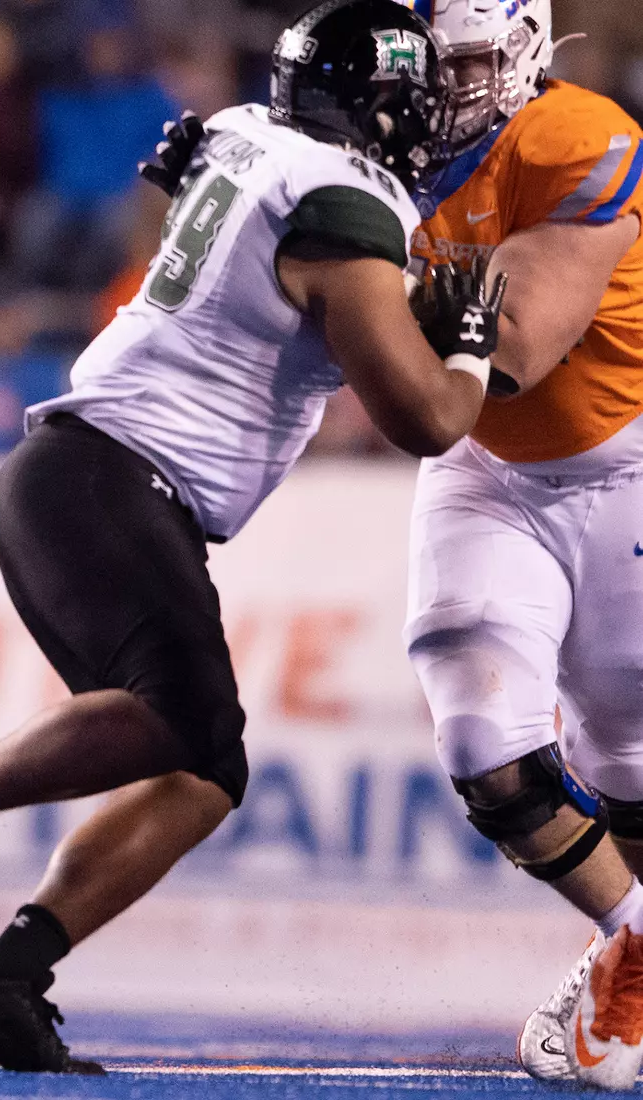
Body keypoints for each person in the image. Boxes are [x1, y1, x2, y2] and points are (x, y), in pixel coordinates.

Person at [0, 0, 502, 1072]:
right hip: (109, 482)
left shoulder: (242, 130)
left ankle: (6, 975)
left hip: (90, 482)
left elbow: (216, 231)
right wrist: (467, 348)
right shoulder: (346, 202)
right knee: (183, 719)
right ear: (376, 111)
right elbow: (427, 417)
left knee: (203, 764)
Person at [380, 0, 643, 1089]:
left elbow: (521, 345)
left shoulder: (579, 137)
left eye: (475, 64)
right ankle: (636, 940)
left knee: (628, 764)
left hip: (623, 462)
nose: (448, 89)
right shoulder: (364, 145)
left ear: (528, 54)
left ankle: (621, 963)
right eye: (433, 69)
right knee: (484, 741)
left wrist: (359, 281)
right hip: (484, 469)